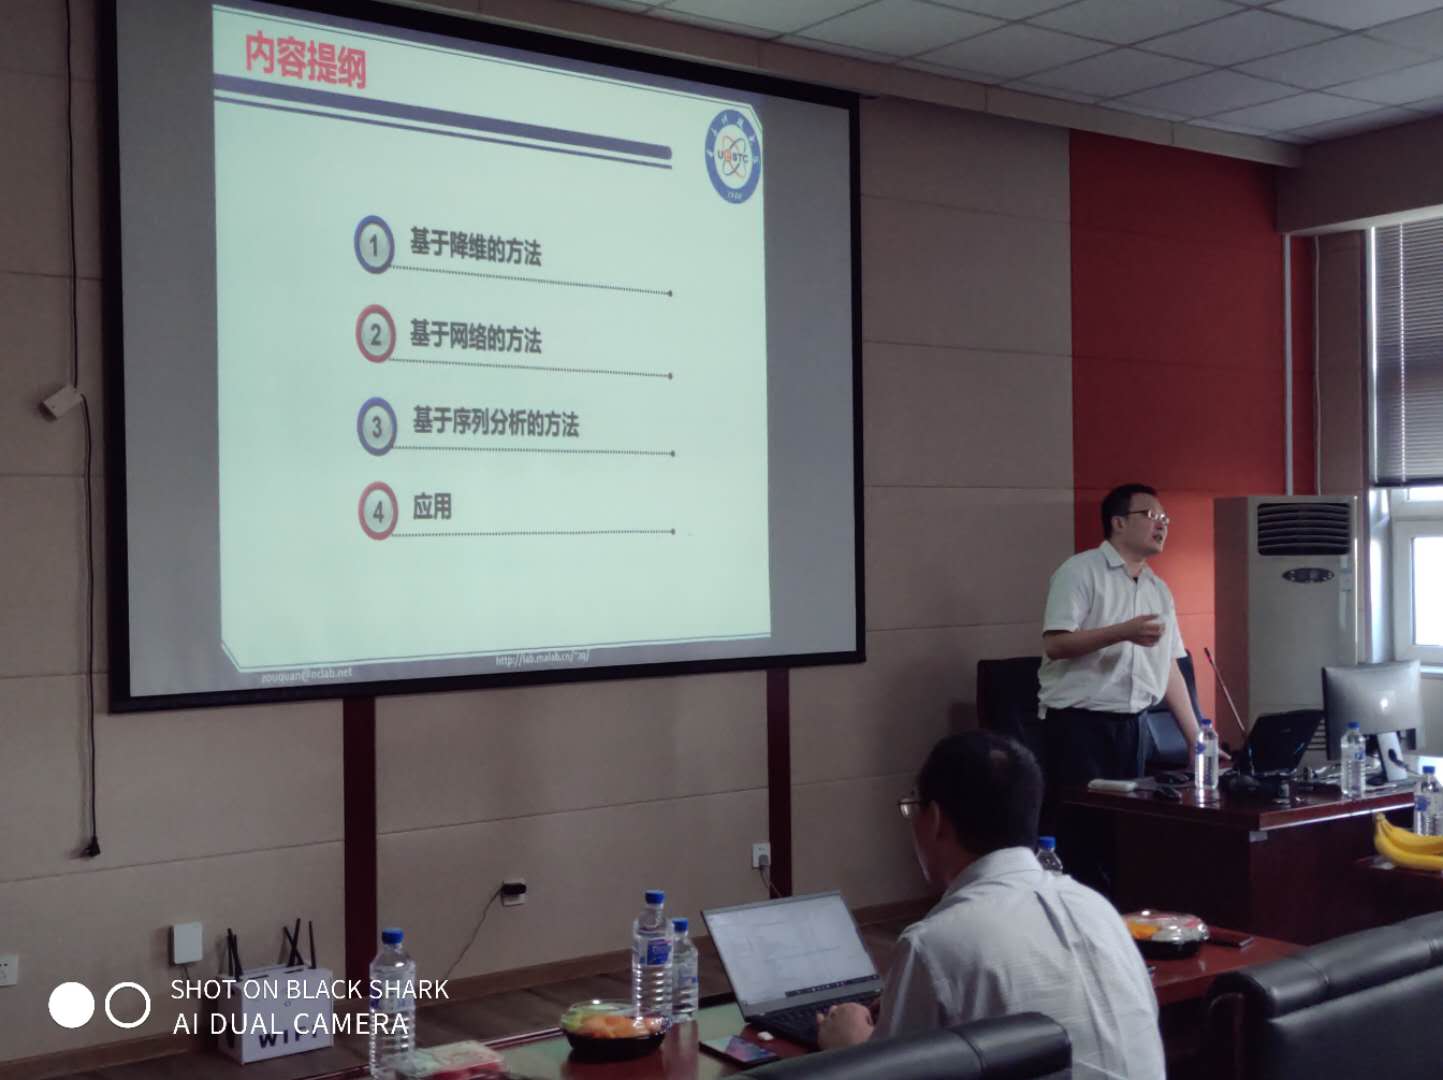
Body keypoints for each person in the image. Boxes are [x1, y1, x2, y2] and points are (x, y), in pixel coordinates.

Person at [815, 732, 1164, 1080]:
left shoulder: (933, 944)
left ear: (934, 820)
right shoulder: (1098, 909)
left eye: (913, 808)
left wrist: (850, 1048)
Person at [1039, 484, 1214, 792]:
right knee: (1082, 817)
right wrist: (1122, 632)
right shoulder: (1079, 571)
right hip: (1079, 727)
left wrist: (1195, 741)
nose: (1162, 525)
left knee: (1128, 818)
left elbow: (1168, 666)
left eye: (1165, 519)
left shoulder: (1157, 589)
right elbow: (1056, 645)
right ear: (1118, 522)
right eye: (1152, 516)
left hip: (1135, 728)